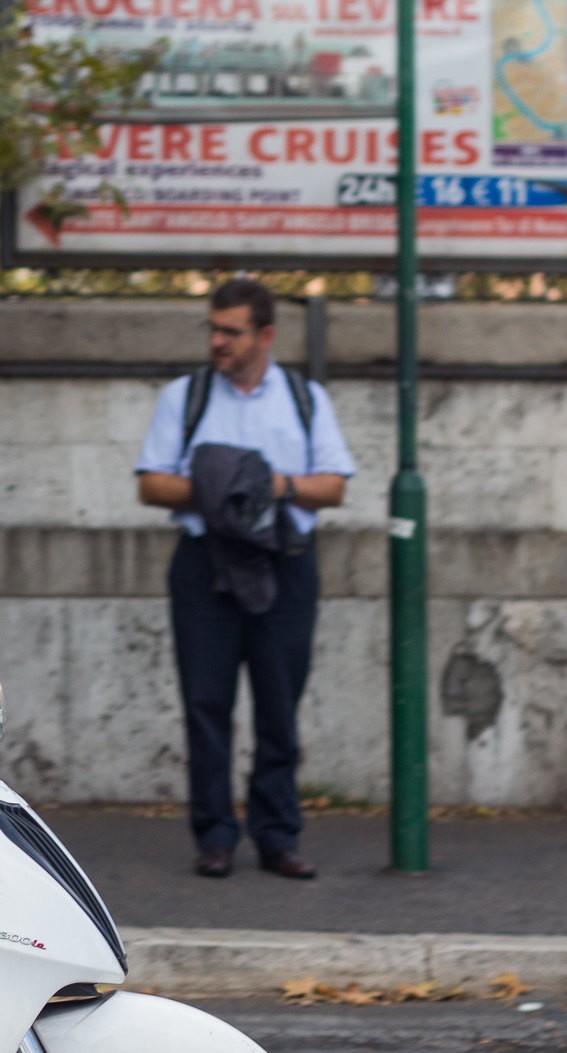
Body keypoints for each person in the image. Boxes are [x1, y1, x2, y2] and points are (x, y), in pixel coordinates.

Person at [134, 278, 354, 881]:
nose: (217, 341)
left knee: (279, 708)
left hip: (285, 562)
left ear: (266, 335)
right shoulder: (188, 396)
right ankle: (215, 836)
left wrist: (271, 484)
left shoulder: (305, 398)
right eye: (213, 328)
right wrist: (223, 489)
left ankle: (278, 836)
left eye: (230, 331)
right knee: (207, 705)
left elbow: (333, 484)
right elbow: (151, 483)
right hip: (206, 564)